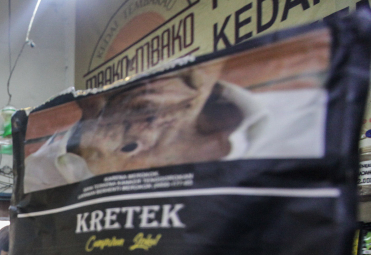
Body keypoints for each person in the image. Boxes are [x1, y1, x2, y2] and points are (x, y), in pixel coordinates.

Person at [23, 60, 327, 194]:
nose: (156, 81)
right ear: (89, 103)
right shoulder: (45, 171)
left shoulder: (308, 117)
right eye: (120, 91)